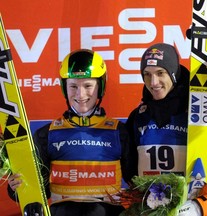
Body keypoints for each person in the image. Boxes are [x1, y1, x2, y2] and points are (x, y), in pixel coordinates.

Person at [7, 49, 136, 216]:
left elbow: (136, 182)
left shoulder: (119, 132)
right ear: (64, 88)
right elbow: (39, 191)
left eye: (88, 85)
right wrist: (16, 188)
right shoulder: (47, 134)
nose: (80, 94)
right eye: (73, 86)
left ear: (100, 86)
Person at [125, 43, 207, 216]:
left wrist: (200, 207)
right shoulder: (138, 118)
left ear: (174, 74)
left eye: (161, 73)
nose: (153, 82)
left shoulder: (204, 115)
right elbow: (130, 175)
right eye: (147, 74)